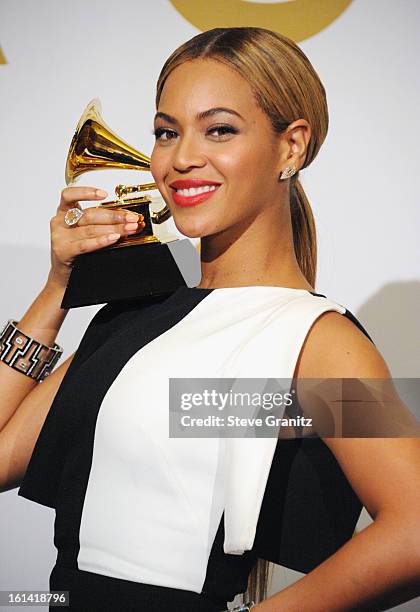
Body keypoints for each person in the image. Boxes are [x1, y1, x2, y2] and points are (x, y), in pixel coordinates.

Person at [1, 27, 419, 612]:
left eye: (219, 129)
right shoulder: (134, 320)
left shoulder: (321, 341)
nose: (180, 158)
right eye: (166, 132)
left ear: (291, 147)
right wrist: (55, 293)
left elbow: (415, 531)